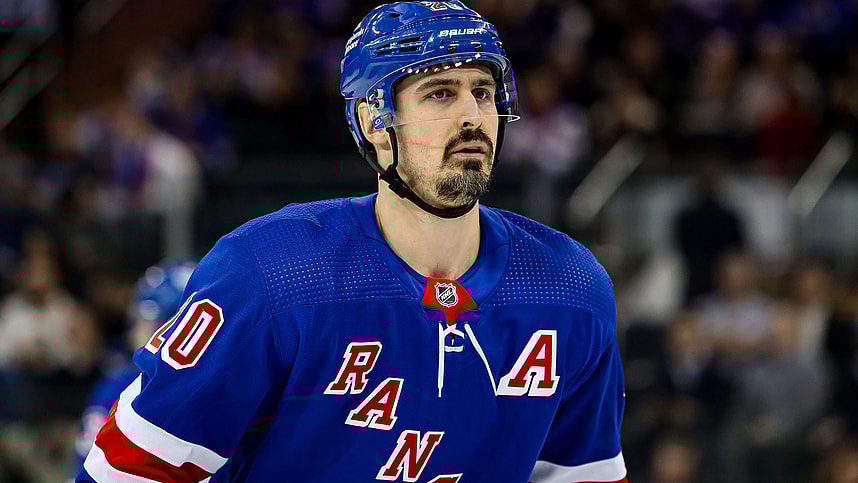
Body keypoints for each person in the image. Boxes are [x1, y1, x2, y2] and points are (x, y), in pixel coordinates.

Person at [77, 2, 627, 481]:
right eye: (440, 93)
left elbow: (582, 477)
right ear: (374, 121)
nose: (471, 115)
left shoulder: (571, 286)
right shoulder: (270, 273)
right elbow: (128, 474)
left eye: (483, 92)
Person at [71, 260, 196, 481]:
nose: (136, 330)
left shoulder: (124, 385)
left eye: (146, 321)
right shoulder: (120, 384)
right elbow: (86, 465)